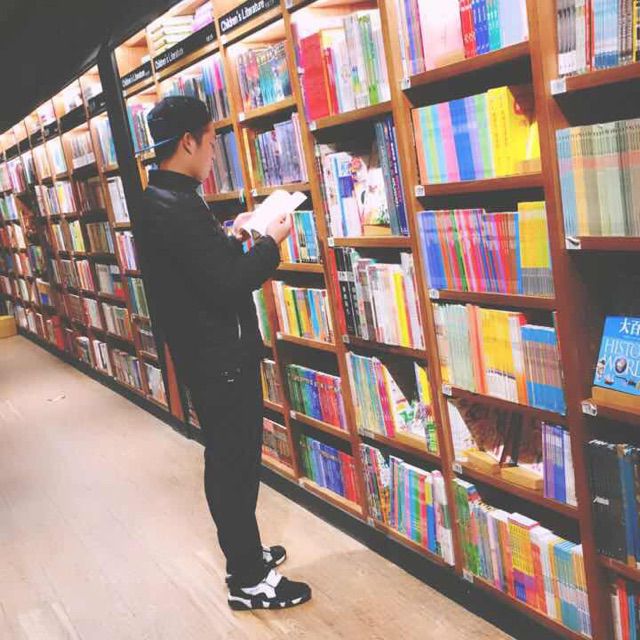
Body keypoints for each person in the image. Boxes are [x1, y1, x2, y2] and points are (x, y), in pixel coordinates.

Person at [135, 96, 311, 610]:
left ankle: (246, 554)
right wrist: (270, 242)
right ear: (188, 142)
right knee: (234, 465)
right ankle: (248, 579)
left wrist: (231, 237)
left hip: (208, 355)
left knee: (230, 460)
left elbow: (202, 269)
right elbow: (227, 284)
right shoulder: (175, 207)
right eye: (212, 142)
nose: (214, 153)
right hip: (220, 360)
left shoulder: (164, 198)